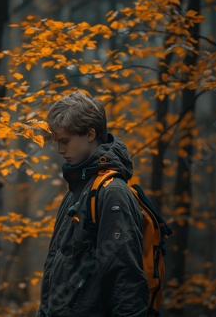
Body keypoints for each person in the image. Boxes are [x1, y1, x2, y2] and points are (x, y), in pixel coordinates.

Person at [37, 90, 149, 317]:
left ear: (89, 134)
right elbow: (55, 265)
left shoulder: (112, 194)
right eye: (58, 142)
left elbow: (126, 281)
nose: (60, 150)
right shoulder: (77, 190)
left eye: (65, 141)